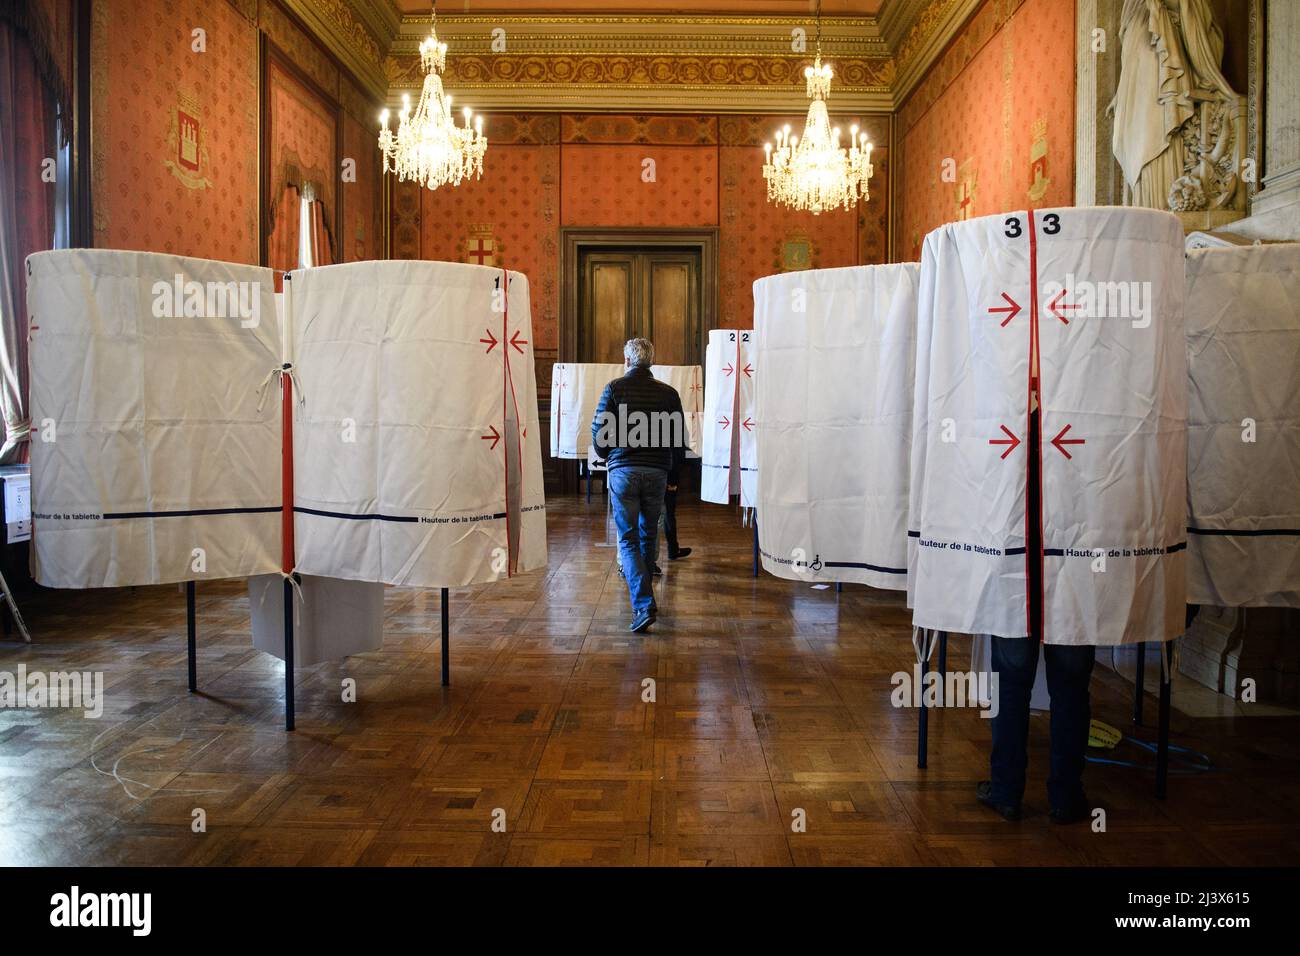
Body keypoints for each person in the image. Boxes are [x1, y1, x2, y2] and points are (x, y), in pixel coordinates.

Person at [591, 338, 687, 632]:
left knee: (628, 539)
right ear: (651, 362)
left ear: (628, 361)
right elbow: (677, 442)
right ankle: (646, 601)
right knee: (648, 535)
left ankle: (644, 605)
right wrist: (673, 480)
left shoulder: (614, 389)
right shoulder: (668, 393)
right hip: (657, 472)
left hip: (623, 471)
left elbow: (599, 438)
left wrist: (612, 455)